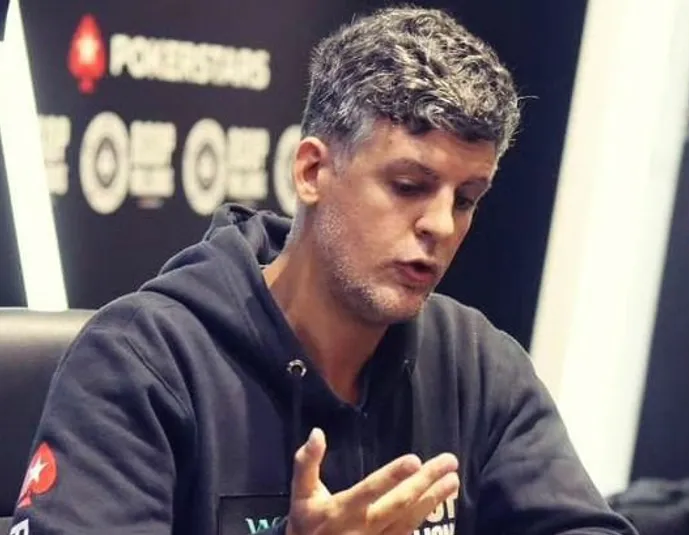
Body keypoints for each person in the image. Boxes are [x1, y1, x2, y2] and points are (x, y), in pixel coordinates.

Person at [8, 5, 637, 535]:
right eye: (410, 185)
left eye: (466, 199)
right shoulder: (142, 362)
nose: (442, 226)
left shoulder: (475, 365)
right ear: (313, 171)